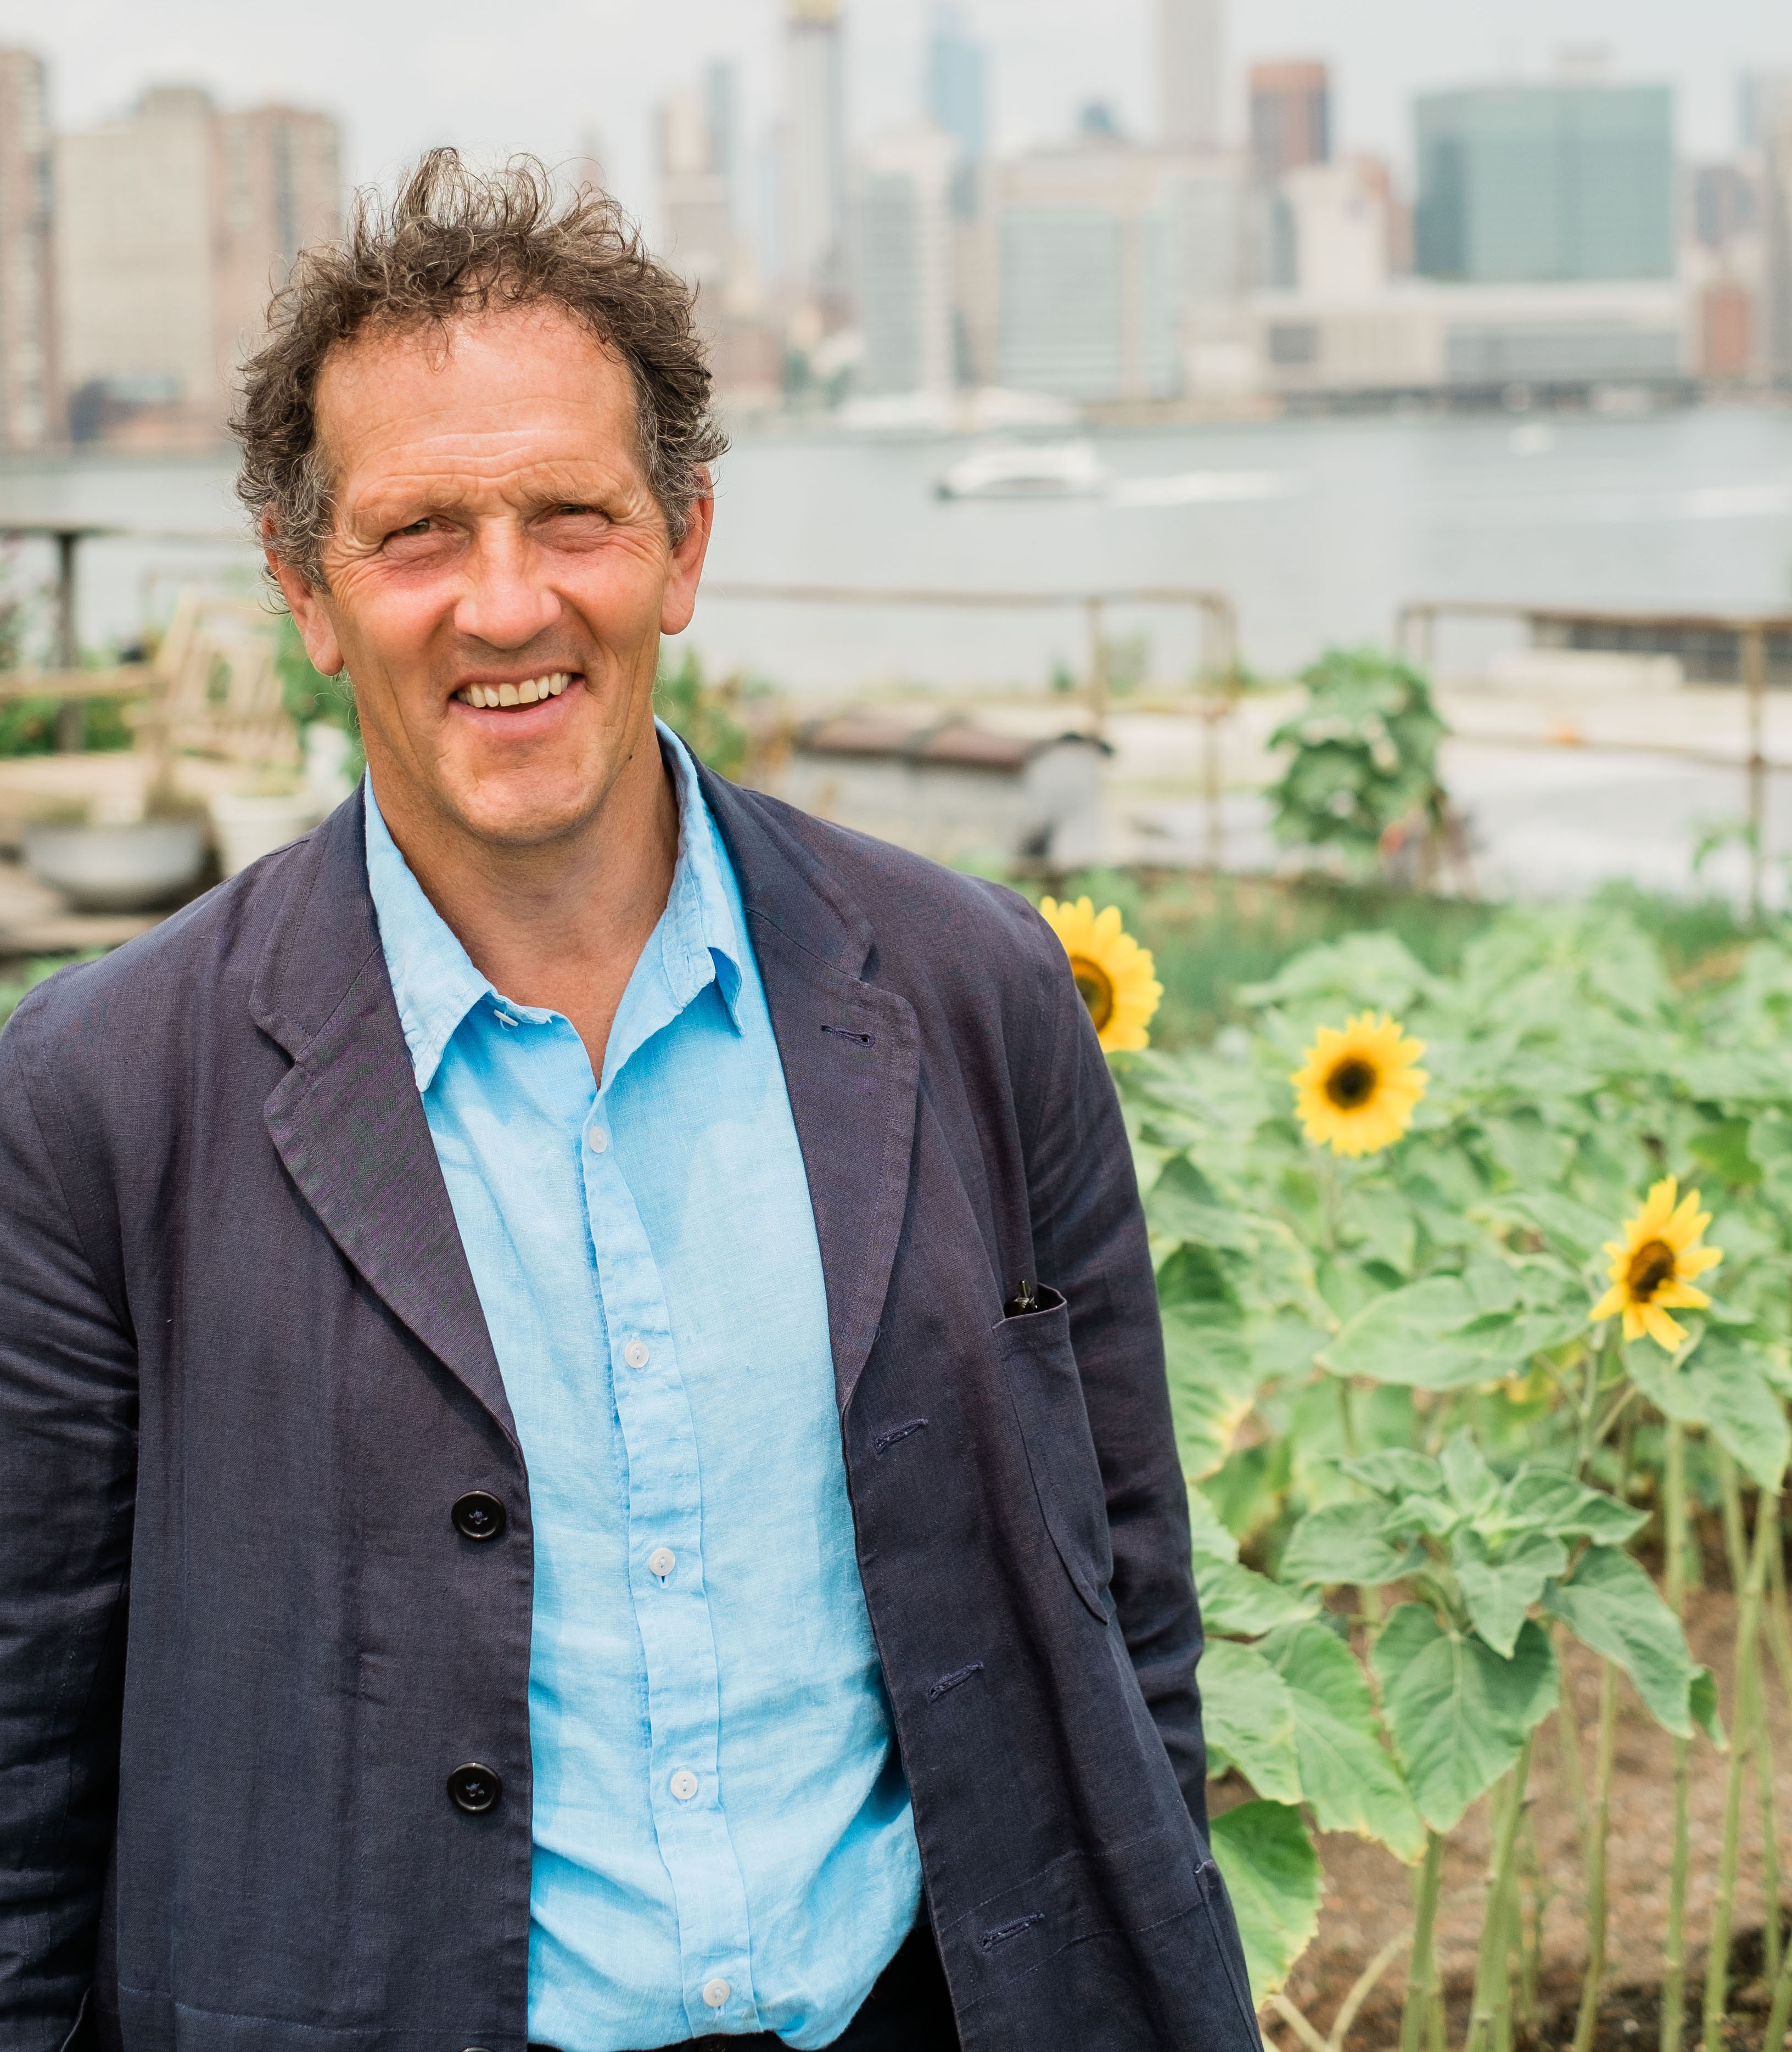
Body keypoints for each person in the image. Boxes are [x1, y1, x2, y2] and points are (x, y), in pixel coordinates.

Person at [0, 153, 1258, 2052]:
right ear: (306, 590)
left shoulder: (973, 990)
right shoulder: (104, 1093)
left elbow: (1128, 1602)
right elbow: (24, 1748)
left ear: (683, 542)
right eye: (419, 534)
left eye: (573, 515)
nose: (507, 604)